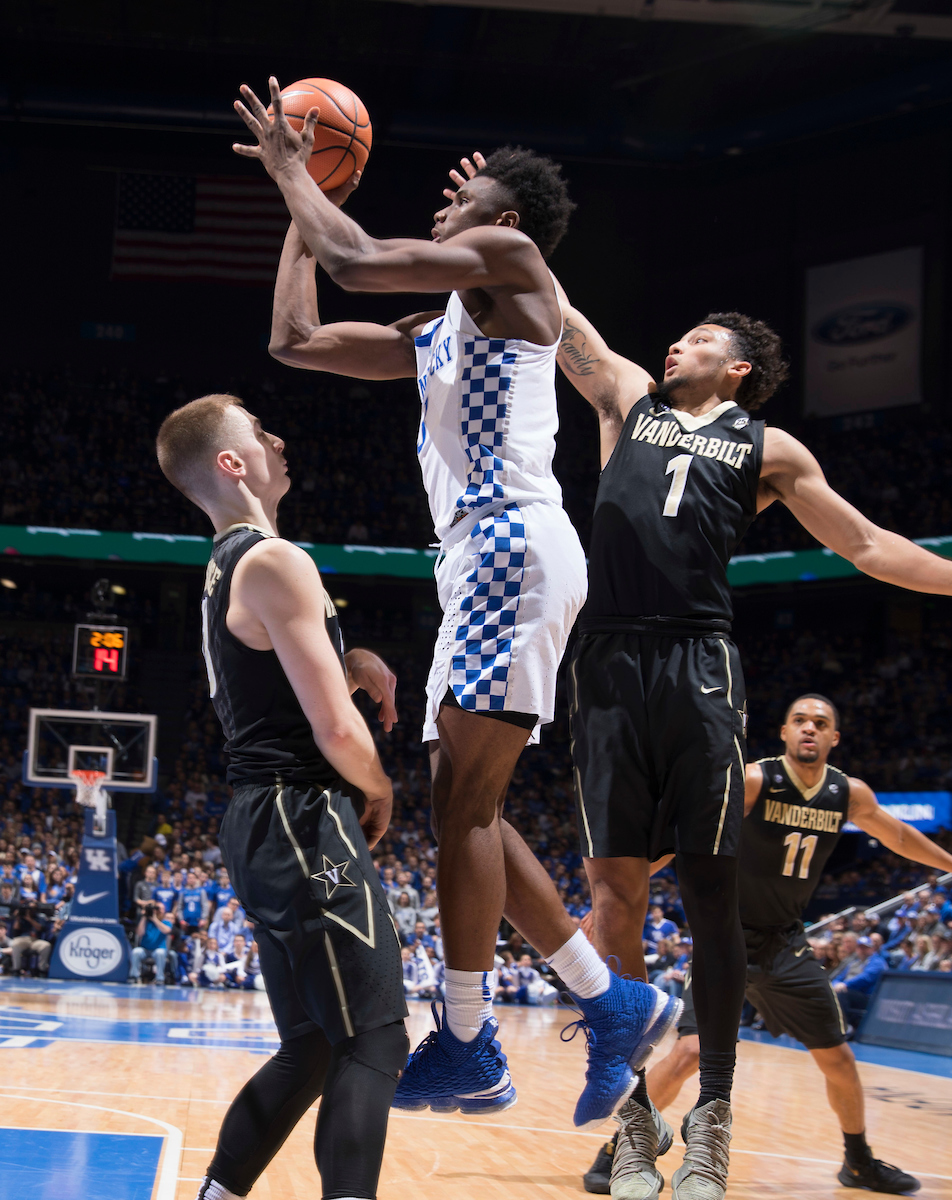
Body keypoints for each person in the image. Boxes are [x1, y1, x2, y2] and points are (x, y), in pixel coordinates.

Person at [234, 80, 681, 1127]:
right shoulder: (440, 327)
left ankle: (473, 1039)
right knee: (459, 806)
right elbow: (295, 337)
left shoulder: (519, 269)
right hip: (474, 562)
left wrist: (305, 170)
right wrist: (293, 201)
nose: (444, 203)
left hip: (512, 543)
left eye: (463, 193)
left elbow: (355, 255)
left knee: (464, 810)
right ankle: (608, 1002)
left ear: (506, 222)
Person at [513, 281, 952, 1197]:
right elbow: (556, 305)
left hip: (697, 655)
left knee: (705, 882)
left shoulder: (770, 447)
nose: (673, 346)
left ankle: (712, 1119)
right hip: (606, 658)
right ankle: (629, 1123)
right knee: (613, 888)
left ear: (734, 366)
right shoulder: (624, 397)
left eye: (694, 338)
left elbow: (866, 544)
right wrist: (499, 225)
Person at [585, 695, 952, 1197]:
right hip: (725, 937)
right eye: (800, 721)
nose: (809, 729)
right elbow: (685, 836)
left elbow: (900, 836)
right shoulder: (758, 780)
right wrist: (612, 901)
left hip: (786, 944)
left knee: (839, 1058)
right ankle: (622, 1146)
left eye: (820, 724)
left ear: (833, 738)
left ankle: (859, 1162)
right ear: (783, 732)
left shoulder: (848, 793)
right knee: (690, 1050)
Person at [156, 391, 409, 1200]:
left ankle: (217, 1195)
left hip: (262, 819)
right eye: (262, 432)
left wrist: (351, 658)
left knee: (312, 1046)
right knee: (373, 1037)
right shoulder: (274, 559)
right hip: (301, 813)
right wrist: (380, 784)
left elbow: (272, 675)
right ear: (233, 464)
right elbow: (336, 732)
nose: (280, 436)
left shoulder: (231, 564)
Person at [129, 900, 175, 985]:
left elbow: (166, 931)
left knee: (160, 953)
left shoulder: (166, 922)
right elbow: (139, 933)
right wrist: (144, 917)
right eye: (156, 909)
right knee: (136, 951)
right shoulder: (146, 922)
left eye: (159, 909)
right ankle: (134, 976)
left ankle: (159, 978)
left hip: (158, 949)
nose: (157, 911)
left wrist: (155, 919)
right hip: (145, 950)